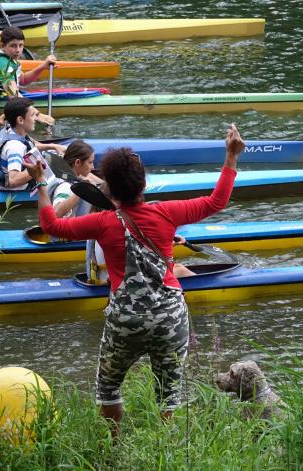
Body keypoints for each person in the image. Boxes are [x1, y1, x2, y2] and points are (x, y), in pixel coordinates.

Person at [35, 124, 245, 437]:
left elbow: (51, 225)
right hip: (171, 316)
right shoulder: (166, 213)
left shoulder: (102, 222)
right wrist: (230, 156)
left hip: (126, 318)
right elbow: (216, 201)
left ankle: (113, 448)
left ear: (109, 187)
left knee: (108, 388)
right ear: (143, 183)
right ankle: (165, 449)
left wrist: (40, 182)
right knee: (169, 393)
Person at [0, 26, 56, 125]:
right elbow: (14, 96)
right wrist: (37, 115)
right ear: (2, 45)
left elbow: (23, 80)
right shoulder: (2, 64)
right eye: (13, 46)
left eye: (21, 45)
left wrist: (42, 66)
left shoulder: (6, 56)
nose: (18, 50)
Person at [0, 97, 65, 191]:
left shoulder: (9, 130)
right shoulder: (15, 147)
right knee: (63, 179)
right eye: (32, 115)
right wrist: (38, 169)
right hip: (15, 188)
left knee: (48, 158)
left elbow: (29, 144)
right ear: (20, 120)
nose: (35, 119)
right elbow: (13, 180)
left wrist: (52, 146)